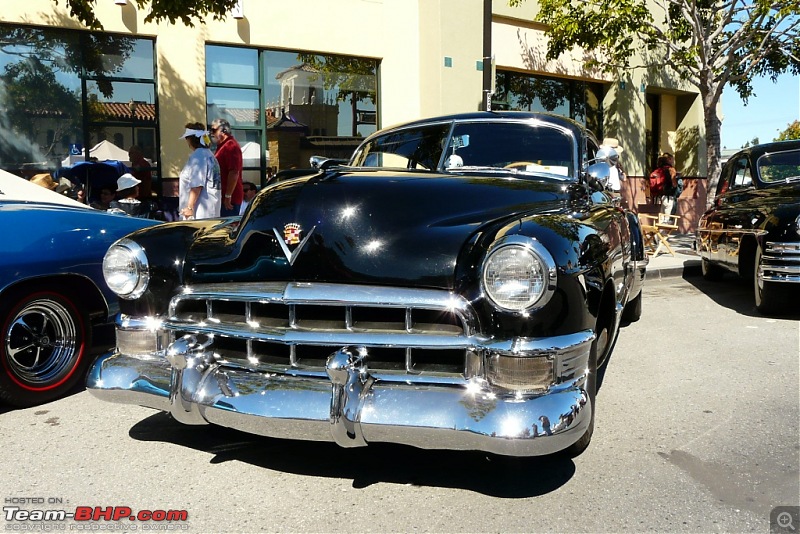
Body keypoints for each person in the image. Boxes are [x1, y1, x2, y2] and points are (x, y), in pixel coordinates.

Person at [179, 122, 221, 220]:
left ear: (190, 139)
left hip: (200, 213)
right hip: (211, 209)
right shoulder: (209, 155)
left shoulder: (199, 156)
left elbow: (197, 184)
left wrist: (190, 207)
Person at [210, 118, 243, 217]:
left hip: (229, 199)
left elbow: (234, 172)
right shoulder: (222, 146)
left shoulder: (230, 146)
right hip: (223, 196)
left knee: (227, 229)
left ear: (223, 130)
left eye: (214, 130)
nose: (211, 133)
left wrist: (228, 196)